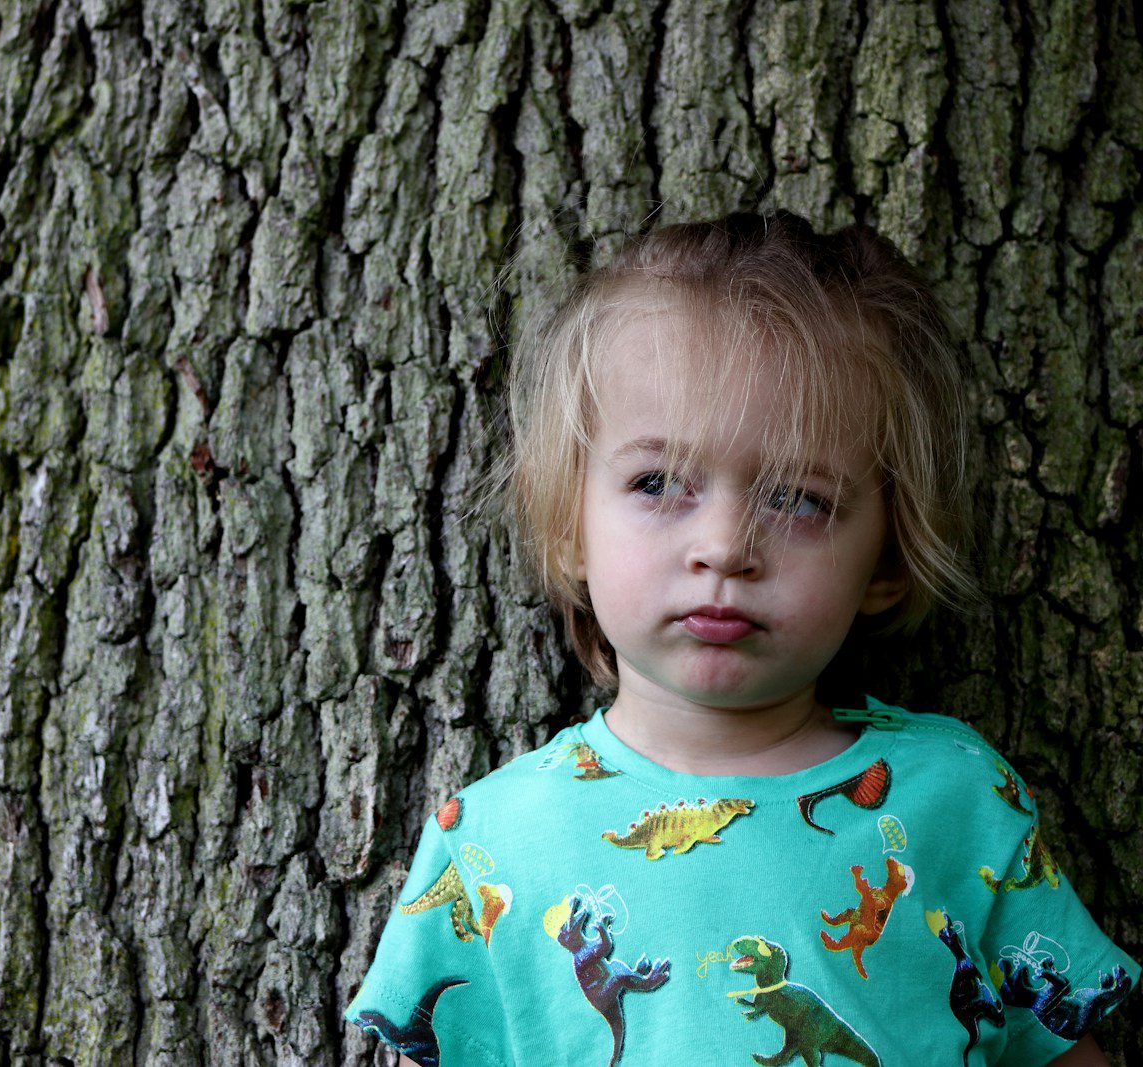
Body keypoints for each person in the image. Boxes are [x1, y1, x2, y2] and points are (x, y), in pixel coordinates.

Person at [341, 212, 1139, 1066]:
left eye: (799, 498)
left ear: (888, 554)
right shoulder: (491, 841)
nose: (725, 545)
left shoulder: (958, 801)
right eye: (657, 483)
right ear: (570, 523)